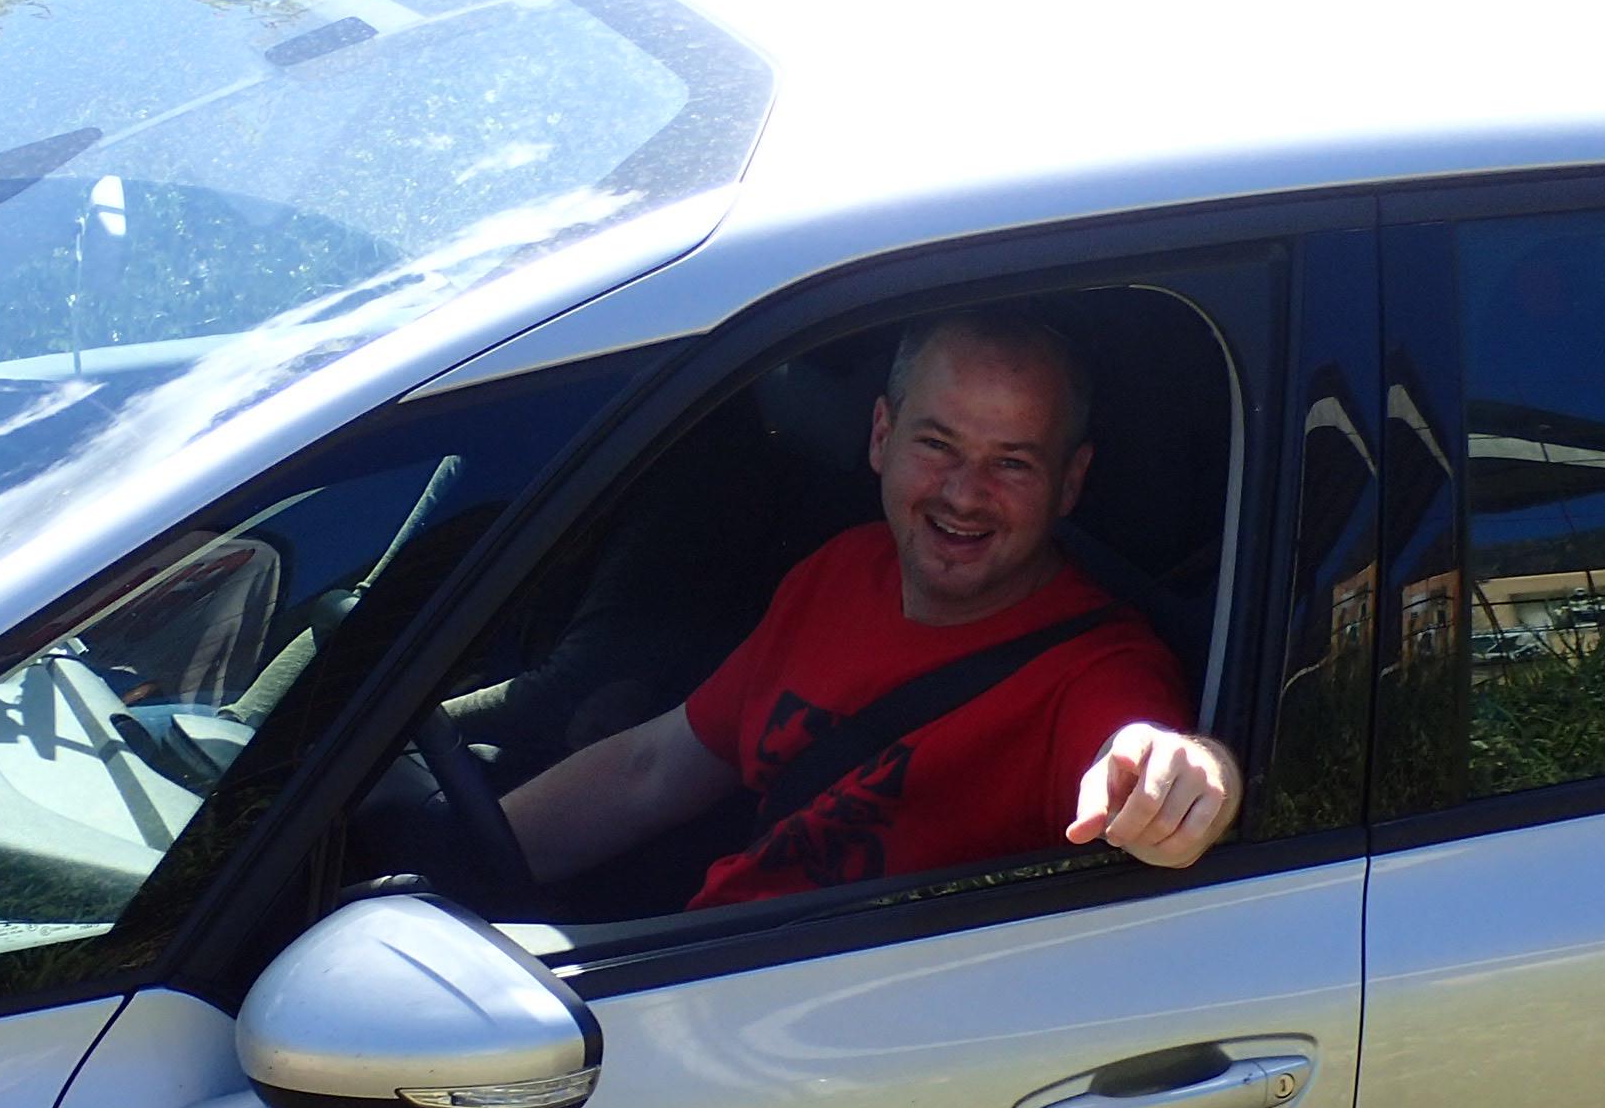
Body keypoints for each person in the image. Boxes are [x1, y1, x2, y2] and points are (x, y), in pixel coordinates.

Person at [501, 305, 1244, 908]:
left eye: (1011, 462)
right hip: (709, 980)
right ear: (882, 436)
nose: (963, 493)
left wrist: (1192, 778)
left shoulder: (1097, 670)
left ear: (1070, 483)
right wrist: (460, 855)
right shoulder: (843, 567)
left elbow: (1152, 761)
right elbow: (652, 769)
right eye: (938, 444)